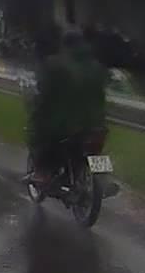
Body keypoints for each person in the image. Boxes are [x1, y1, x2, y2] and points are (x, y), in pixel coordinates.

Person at [28, 27, 106, 184]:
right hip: (96, 124)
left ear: (64, 45)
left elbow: (45, 93)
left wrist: (38, 110)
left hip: (66, 125)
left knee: (40, 136)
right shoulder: (96, 66)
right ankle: (104, 176)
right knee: (96, 149)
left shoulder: (55, 65)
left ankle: (43, 172)